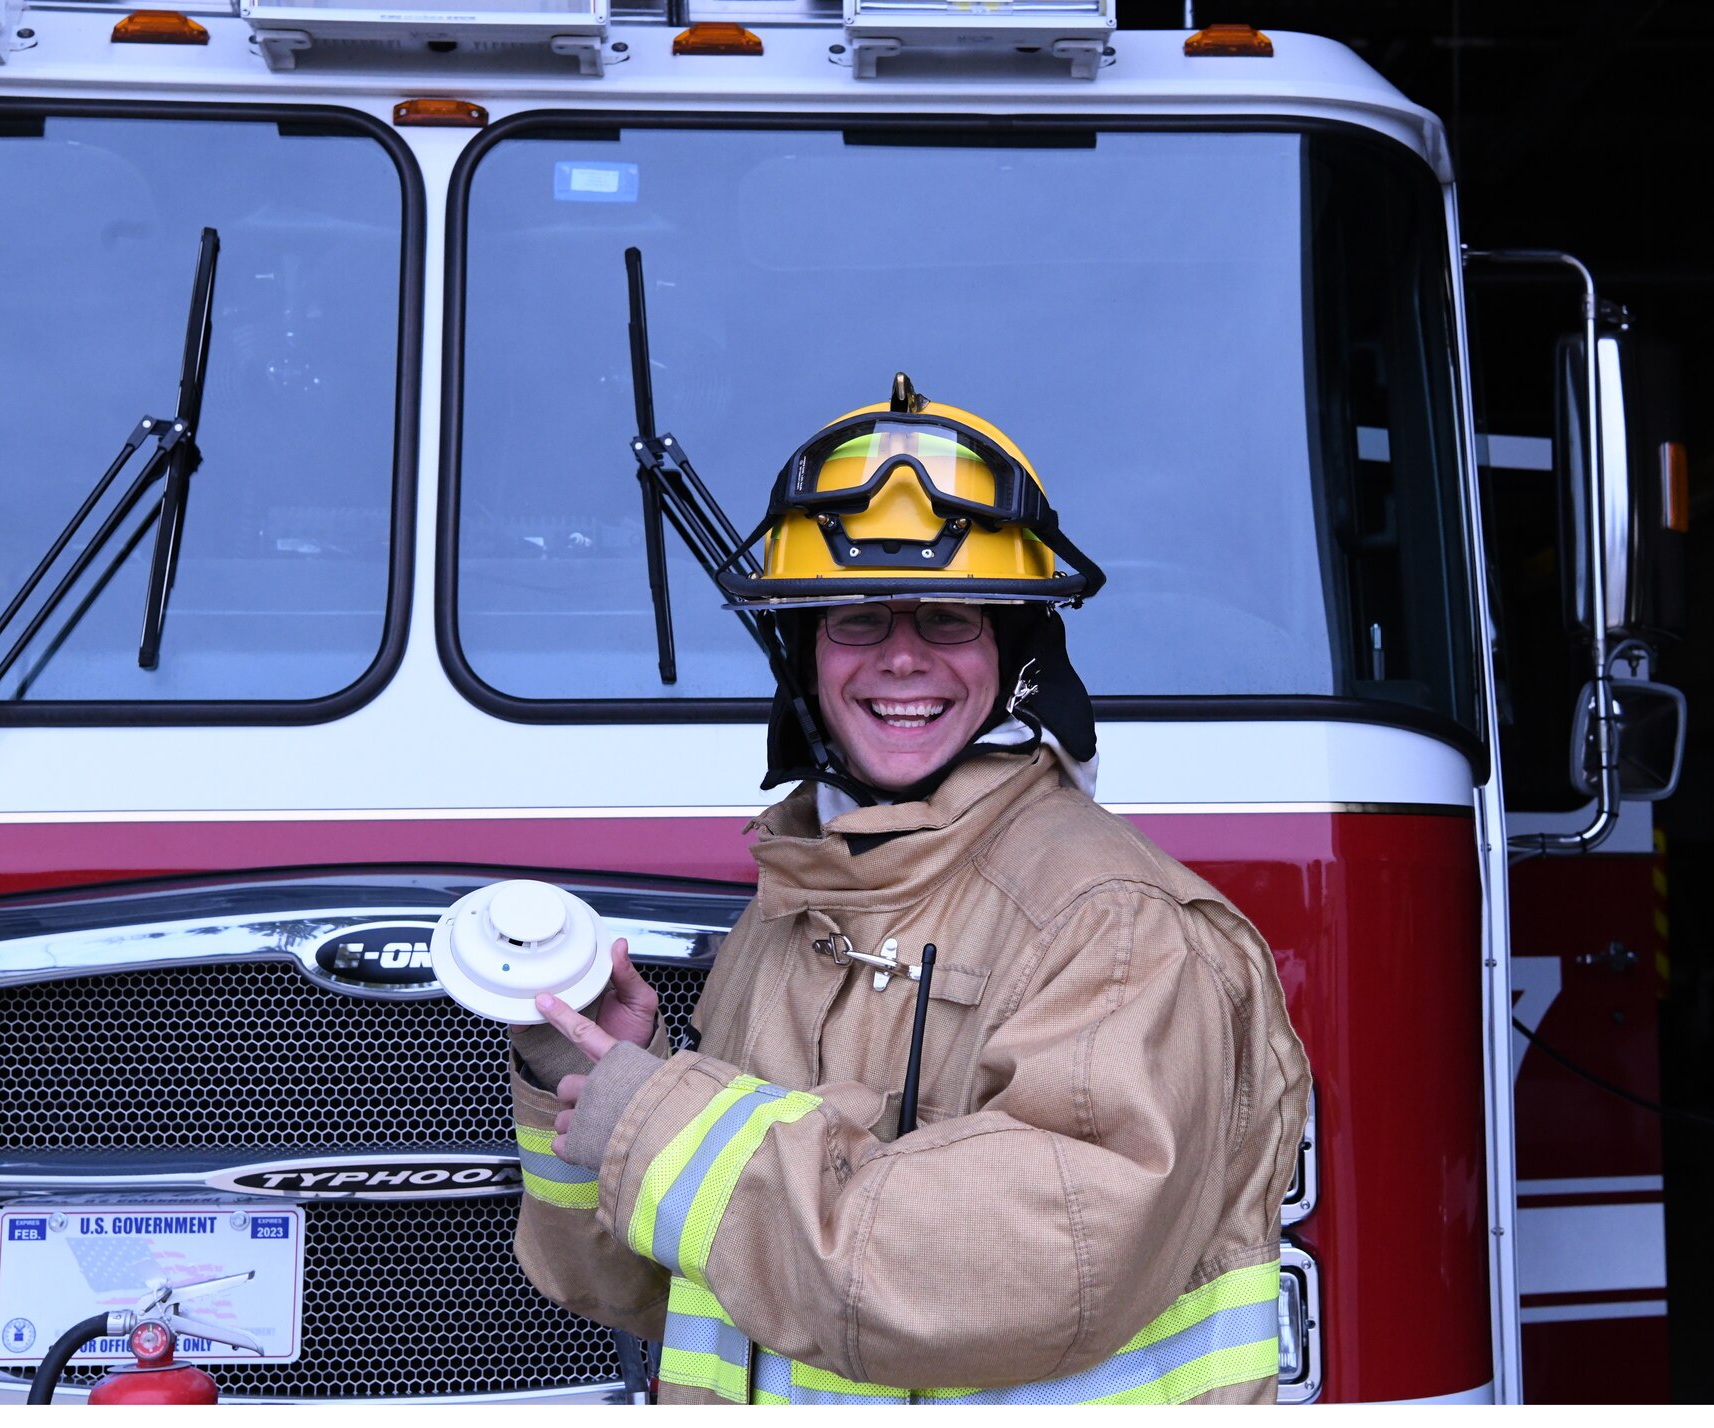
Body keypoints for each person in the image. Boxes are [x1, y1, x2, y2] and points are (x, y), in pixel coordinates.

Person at [509, 378, 1310, 1405]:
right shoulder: (798, 898)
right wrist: (598, 1067)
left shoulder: (1114, 928)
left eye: (945, 618)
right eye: (854, 619)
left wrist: (664, 1122)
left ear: (1018, 650)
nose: (899, 658)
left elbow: (1032, 1272)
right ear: (801, 651)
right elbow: (644, 1287)